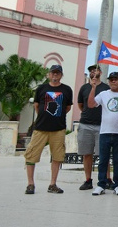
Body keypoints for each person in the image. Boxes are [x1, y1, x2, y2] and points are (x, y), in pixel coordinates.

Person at [24, 64, 73, 194]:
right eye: (53, 73)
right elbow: (36, 106)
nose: (55, 75)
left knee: (57, 156)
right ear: (49, 74)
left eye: (58, 73)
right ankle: (30, 183)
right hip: (41, 128)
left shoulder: (66, 90)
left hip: (58, 129)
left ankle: (52, 184)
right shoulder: (41, 88)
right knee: (31, 155)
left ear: (61, 75)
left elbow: (67, 108)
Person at [87, 71, 118, 196]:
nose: (113, 81)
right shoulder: (103, 94)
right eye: (111, 79)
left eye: (116, 79)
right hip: (105, 132)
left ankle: (117, 185)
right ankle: (101, 184)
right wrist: (93, 88)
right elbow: (91, 104)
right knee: (103, 160)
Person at [77, 64, 109, 191]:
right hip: (86, 124)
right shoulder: (84, 88)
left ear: (100, 72)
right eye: (91, 71)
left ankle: (106, 179)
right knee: (87, 153)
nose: (93, 73)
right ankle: (88, 179)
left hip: (102, 125)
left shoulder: (106, 88)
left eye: (95, 70)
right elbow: (81, 105)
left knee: (103, 154)